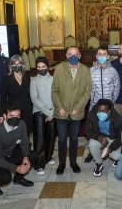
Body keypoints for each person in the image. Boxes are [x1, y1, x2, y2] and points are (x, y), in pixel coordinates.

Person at [52, 46, 91, 175]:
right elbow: (54, 91)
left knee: (74, 139)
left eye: (75, 54)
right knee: (62, 139)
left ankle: (73, 162)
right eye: (70, 54)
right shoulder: (59, 69)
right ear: (66, 55)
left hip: (77, 111)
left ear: (79, 56)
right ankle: (62, 163)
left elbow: (87, 92)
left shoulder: (85, 70)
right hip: (61, 111)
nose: (73, 57)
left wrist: (78, 107)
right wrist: (59, 107)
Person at [0, 104, 34, 196]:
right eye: (12, 116)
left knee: (33, 156)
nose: (15, 119)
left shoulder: (22, 124)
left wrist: (25, 157)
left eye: (18, 116)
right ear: (5, 116)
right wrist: (16, 168)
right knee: (5, 177)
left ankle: (18, 178)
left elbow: (24, 142)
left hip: (8, 153)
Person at [30, 56, 57, 175]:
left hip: (52, 111)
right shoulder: (33, 80)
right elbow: (34, 99)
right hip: (39, 111)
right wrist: (47, 112)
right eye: (39, 67)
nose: (41, 69)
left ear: (48, 67)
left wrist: (52, 111)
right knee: (40, 138)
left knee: (51, 136)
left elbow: (57, 97)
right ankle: (39, 164)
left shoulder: (53, 79)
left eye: (43, 66)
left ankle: (48, 157)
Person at [85, 99, 122, 177]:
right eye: (99, 111)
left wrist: (110, 148)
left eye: (103, 111)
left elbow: (121, 137)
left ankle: (116, 159)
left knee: (115, 156)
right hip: (101, 137)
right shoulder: (92, 115)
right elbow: (87, 131)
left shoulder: (118, 119)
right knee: (91, 143)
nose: (100, 113)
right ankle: (99, 163)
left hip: (114, 139)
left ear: (109, 111)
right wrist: (98, 137)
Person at [1, 54, 33, 135]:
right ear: (11, 66)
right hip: (14, 112)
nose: (17, 66)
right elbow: (3, 98)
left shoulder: (27, 77)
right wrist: (4, 113)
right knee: (15, 134)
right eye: (14, 64)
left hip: (27, 110)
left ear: (23, 65)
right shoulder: (6, 79)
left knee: (26, 133)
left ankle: (26, 147)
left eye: (19, 63)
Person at [89, 45, 120, 110]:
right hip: (95, 104)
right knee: (93, 120)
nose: (102, 56)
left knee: (109, 120)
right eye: (100, 54)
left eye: (104, 54)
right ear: (96, 56)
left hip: (109, 104)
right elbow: (87, 87)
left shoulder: (113, 71)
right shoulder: (90, 71)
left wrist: (112, 100)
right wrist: (92, 98)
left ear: (108, 56)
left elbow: (117, 87)